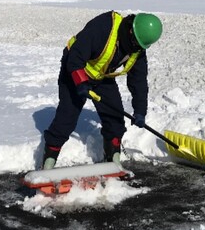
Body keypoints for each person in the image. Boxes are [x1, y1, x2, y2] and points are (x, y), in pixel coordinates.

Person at [42, 11, 163, 169]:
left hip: (101, 76)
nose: (135, 49)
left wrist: (140, 111)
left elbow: (138, 81)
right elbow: (75, 57)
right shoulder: (104, 27)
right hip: (74, 69)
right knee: (67, 117)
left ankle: (112, 159)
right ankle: (48, 163)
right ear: (130, 30)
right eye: (135, 44)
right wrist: (81, 82)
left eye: (139, 47)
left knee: (115, 117)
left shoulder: (137, 49)